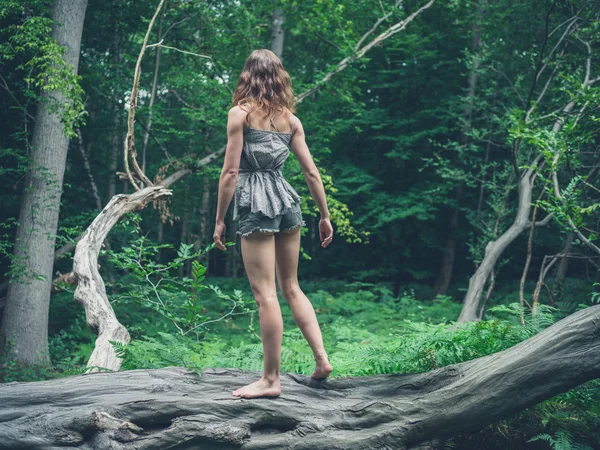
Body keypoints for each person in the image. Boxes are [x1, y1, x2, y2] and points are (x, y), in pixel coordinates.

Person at [213, 49, 334, 399]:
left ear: (247, 76)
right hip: (287, 201)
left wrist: (220, 220)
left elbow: (231, 173)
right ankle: (322, 360)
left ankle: (270, 380)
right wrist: (324, 215)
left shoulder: (240, 115)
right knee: (292, 286)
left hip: (256, 204)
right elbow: (311, 172)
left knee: (266, 294)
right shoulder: (292, 121)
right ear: (279, 77)